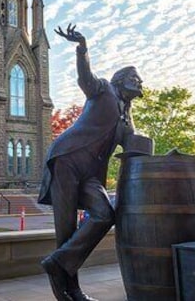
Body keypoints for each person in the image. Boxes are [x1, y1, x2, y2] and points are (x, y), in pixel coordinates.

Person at [39, 24, 143, 301]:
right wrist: (82, 47)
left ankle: (57, 263)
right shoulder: (103, 89)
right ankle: (71, 290)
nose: (140, 81)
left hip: (90, 174)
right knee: (66, 228)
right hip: (67, 159)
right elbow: (85, 78)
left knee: (104, 215)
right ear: (120, 80)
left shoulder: (126, 117)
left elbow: (134, 144)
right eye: (135, 77)